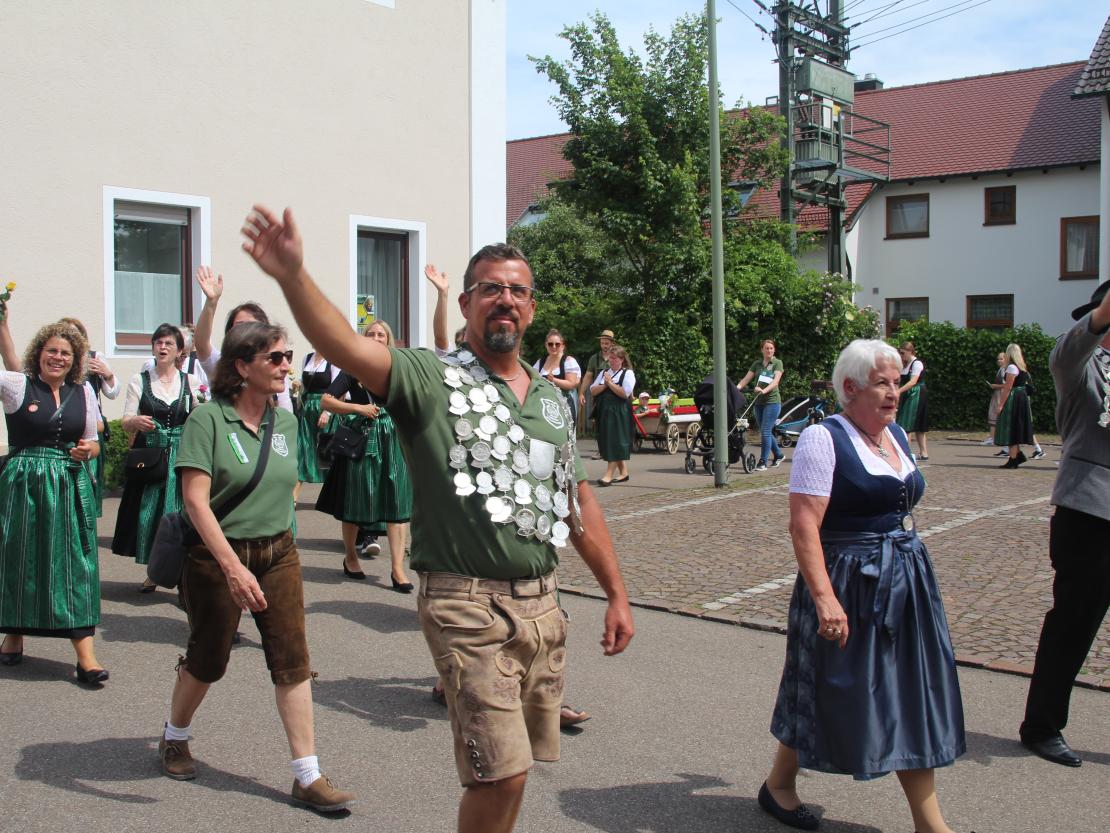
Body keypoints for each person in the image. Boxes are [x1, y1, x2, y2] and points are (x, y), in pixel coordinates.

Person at [241, 205, 633, 833]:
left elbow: (575, 499)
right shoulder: (431, 377)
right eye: (490, 289)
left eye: (517, 291)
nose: (505, 300)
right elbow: (345, 345)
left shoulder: (552, 401)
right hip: (466, 604)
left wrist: (616, 593)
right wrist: (292, 275)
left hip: (543, 606)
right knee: (499, 771)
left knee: (517, 771)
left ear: (531, 309)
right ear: (467, 303)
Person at [760, 339, 965, 833]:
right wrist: (825, 598)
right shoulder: (823, 438)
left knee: (906, 691)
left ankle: (929, 824)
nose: (894, 392)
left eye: (896, 382)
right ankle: (780, 785)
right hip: (847, 581)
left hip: (903, 579)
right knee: (825, 686)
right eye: (882, 383)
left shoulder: (894, 436)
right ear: (850, 388)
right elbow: (804, 526)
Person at [156, 321, 354, 813]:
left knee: (292, 661)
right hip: (216, 557)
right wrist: (233, 567)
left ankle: (307, 775)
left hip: (278, 553)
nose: (287, 365)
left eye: (288, 356)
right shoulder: (207, 420)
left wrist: (278, 534)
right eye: (276, 358)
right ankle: (175, 736)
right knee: (208, 660)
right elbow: (195, 502)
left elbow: (289, 484)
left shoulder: (283, 422)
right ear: (243, 367)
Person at [1019, 281, 1110, 768]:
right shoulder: (1082, 365)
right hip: (1089, 512)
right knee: (1073, 624)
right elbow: (1064, 354)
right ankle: (1042, 725)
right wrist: (1102, 314)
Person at [0, 317, 105, 684]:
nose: (58, 357)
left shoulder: (84, 392)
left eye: (66, 353)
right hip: (23, 484)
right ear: (39, 353)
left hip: (69, 483)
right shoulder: (18, 385)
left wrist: (87, 451)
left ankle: (86, 657)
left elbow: (93, 441)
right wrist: (3, 323)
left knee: (77, 564)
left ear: (75, 360)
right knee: (21, 558)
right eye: (52, 351)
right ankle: (14, 635)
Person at [317, 321, 413, 591]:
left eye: (381, 334)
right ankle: (350, 557)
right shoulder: (353, 368)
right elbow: (326, 401)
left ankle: (397, 569)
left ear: (388, 339)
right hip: (363, 438)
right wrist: (357, 408)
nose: (376, 337)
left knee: (397, 502)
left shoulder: (400, 368)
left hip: (393, 439)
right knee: (355, 501)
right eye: (371, 334)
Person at [111, 324, 202, 590]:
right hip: (152, 458)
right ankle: (156, 571)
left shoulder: (190, 381)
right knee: (150, 515)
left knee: (183, 514)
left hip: (182, 458)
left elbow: (200, 416)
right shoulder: (139, 380)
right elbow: (126, 420)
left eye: (168, 343)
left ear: (180, 351)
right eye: (158, 342)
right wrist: (135, 421)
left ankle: (184, 574)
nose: (162, 347)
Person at [192, 265, 293, 412]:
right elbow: (201, 344)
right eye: (240, 326)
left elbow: (286, 413)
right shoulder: (222, 364)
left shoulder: (274, 367)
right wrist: (211, 302)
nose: (247, 332)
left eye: (253, 326)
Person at [58, 316, 119, 517]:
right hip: (63, 428)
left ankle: (87, 516)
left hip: (90, 429)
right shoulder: (57, 359)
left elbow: (113, 393)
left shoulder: (94, 357)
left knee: (88, 479)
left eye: (75, 333)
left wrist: (107, 374)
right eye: (65, 332)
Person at [737, 339, 785, 472]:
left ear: (774, 350)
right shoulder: (757, 364)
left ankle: (763, 462)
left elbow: (775, 381)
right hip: (759, 402)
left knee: (765, 431)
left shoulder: (777, 363)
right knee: (765, 431)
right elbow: (746, 379)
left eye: (771, 348)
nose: (769, 350)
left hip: (772, 402)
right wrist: (736, 388)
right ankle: (779, 455)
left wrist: (764, 390)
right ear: (762, 350)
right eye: (766, 348)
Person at [590, 344, 635, 486]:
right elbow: (593, 390)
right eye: (610, 358)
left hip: (619, 412)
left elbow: (624, 393)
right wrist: (605, 384)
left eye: (615, 358)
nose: (612, 361)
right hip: (604, 411)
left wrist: (610, 384)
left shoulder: (627, 373)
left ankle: (608, 475)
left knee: (616, 441)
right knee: (608, 440)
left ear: (622, 359)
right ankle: (624, 473)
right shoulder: (604, 373)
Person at [296, 348, 339, 487]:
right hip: (308, 408)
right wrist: (298, 384)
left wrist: (327, 412)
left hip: (325, 406)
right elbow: (305, 385)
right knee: (304, 446)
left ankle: (332, 491)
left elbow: (338, 389)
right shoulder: (307, 358)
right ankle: (296, 492)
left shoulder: (333, 359)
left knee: (326, 451)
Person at [994, 343, 1035, 468]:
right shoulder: (1021, 366)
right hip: (1021, 398)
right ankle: (1017, 455)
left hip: (1014, 398)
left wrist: (1000, 405)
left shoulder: (1011, 367)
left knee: (1011, 426)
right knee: (1016, 426)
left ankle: (1013, 459)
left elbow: (1008, 387)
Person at [534, 329, 581, 424]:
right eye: (550, 344)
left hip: (564, 404)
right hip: (545, 405)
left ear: (563, 346)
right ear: (546, 345)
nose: (554, 347)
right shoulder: (540, 362)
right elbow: (532, 379)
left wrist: (554, 380)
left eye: (557, 344)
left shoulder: (569, 361)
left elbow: (571, 384)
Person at [895, 341, 929, 460]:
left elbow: (913, 381)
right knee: (911, 424)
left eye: (902, 353)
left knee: (907, 424)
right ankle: (921, 453)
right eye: (900, 353)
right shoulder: (904, 365)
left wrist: (898, 391)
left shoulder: (917, 363)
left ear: (910, 352)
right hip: (908, 394)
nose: (901, 355)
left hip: (916, 393)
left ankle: (907, 454)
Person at [578, 328, 614, 432]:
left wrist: (631, 394)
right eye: (602, 343)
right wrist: (581, 393)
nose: (604, 346)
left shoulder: (617, 357)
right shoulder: (594, 358)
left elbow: (627, 375)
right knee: (599, 424)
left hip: (614, 394)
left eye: (606, 343)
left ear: (612, 343)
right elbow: (588, 376)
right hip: (598, 396)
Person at [984, 352, 1007, 446]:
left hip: (1001, 394)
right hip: (998, 393)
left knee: (995, 415)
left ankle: (993, 438)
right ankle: (993, 437)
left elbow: (1007, 384)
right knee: (994, 415)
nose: (999, 361)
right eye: (998, 359)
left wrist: (995, 386)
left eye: (1001, 359)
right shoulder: (1001, 369)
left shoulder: (1005, 370)